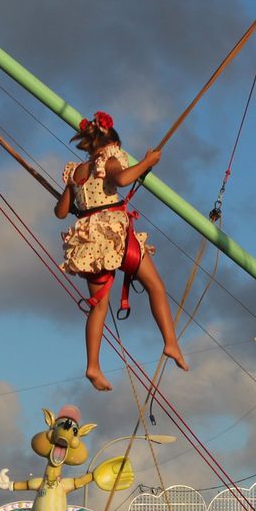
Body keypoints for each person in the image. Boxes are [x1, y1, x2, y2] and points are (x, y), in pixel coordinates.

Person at [56, 111, 187, 390]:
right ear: (113, 144)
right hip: (113, 233)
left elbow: (60, 211)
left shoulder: (76, 172)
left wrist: (79, 200)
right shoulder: (111, 159)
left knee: (99, 306)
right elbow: (123, 180)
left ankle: (93, 366)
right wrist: (147, 163)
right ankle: (171, 343)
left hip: (88, 238)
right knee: (155, 286)